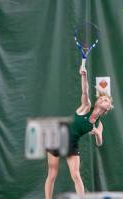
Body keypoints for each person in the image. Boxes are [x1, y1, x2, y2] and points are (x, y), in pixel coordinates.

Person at [44, 65, 113, 198]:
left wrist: (98, 134)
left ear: (108, 108)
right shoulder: (86, 107)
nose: (104, 100)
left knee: (76, 175)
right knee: (52, 174)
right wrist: (84, 76)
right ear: (97, 102)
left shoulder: (99, 125)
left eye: (107, 100)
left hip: (72, 143)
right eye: (102, 98)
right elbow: (85, 92)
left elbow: (99, 143)